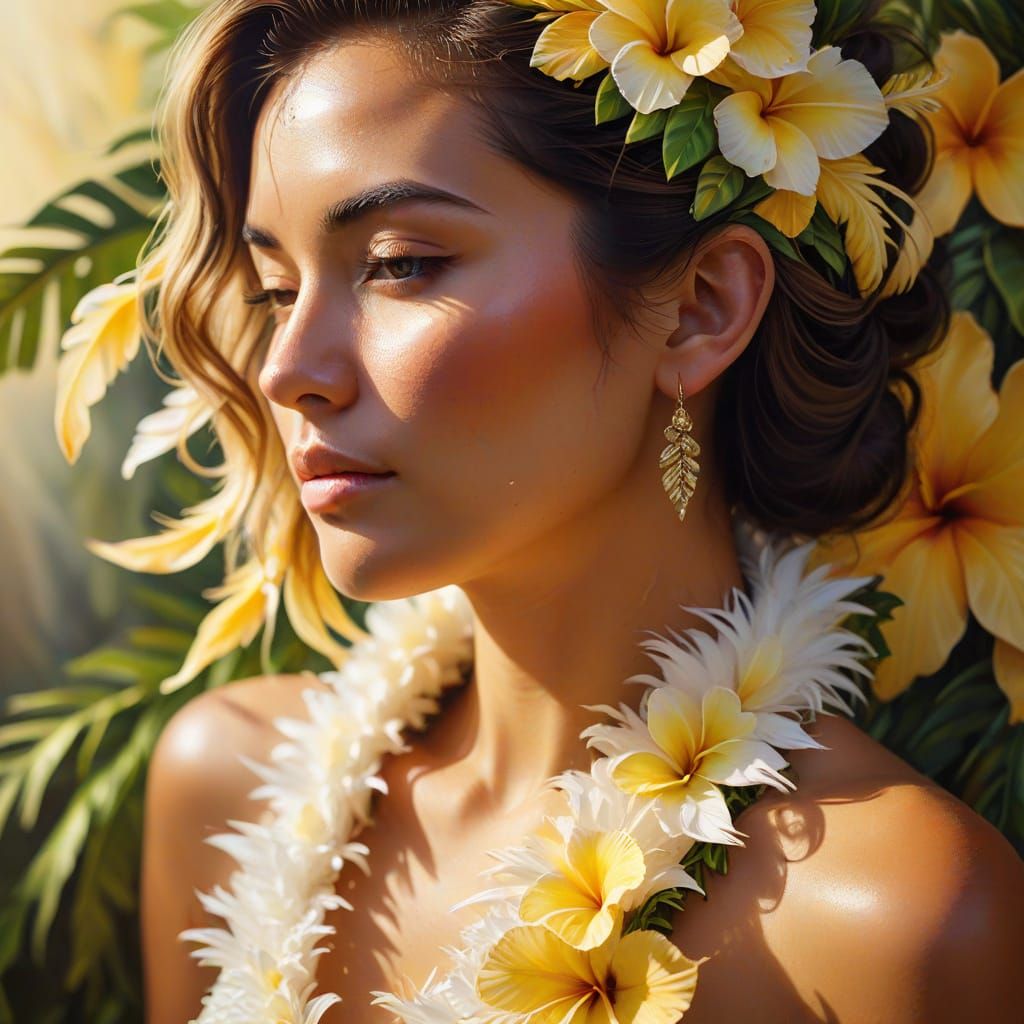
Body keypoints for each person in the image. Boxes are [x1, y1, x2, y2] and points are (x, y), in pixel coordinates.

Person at [131, 1, 1024, 1022]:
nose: (287, 369)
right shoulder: (230, 790)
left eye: (400, 263)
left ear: (700, 308)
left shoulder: (891, 922)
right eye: (275, 290)